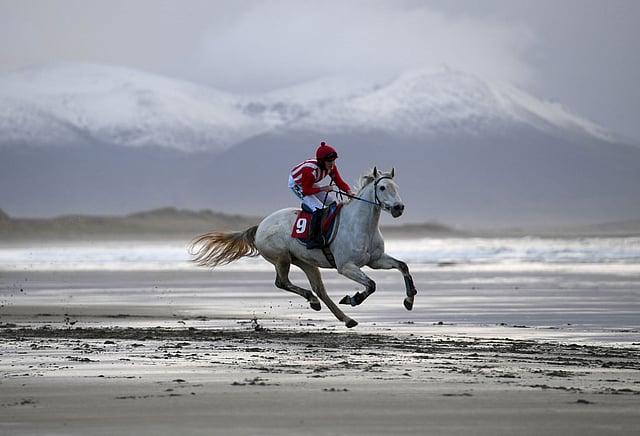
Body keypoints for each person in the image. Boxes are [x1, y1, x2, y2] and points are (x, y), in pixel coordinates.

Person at [289, 141, 354, 248]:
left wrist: (349, 191)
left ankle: (332, 230)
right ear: (321, 161)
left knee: (333, 203)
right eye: (329, 161)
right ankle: (313, 239)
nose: (332, 164)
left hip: (310, 184)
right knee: (318, 209)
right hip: (298, 184)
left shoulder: (331, 167)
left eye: (333, 160)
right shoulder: (311, 171)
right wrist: (323, 188)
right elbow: (306, 191)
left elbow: (339, 181)